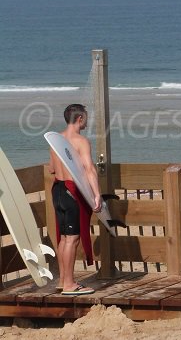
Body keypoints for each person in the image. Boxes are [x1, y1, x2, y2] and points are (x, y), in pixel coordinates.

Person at [48, 104, 101, 295]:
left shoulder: (56, 140)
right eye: (86, 117)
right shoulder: (81, 141)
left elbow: (52, 169)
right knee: (72, 238)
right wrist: (97, 194)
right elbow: (89, 169)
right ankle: (70, 285)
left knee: (64, 238)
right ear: (80, 119)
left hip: (58, 190)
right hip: (72, 192)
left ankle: (63, 280)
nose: (87, 120)